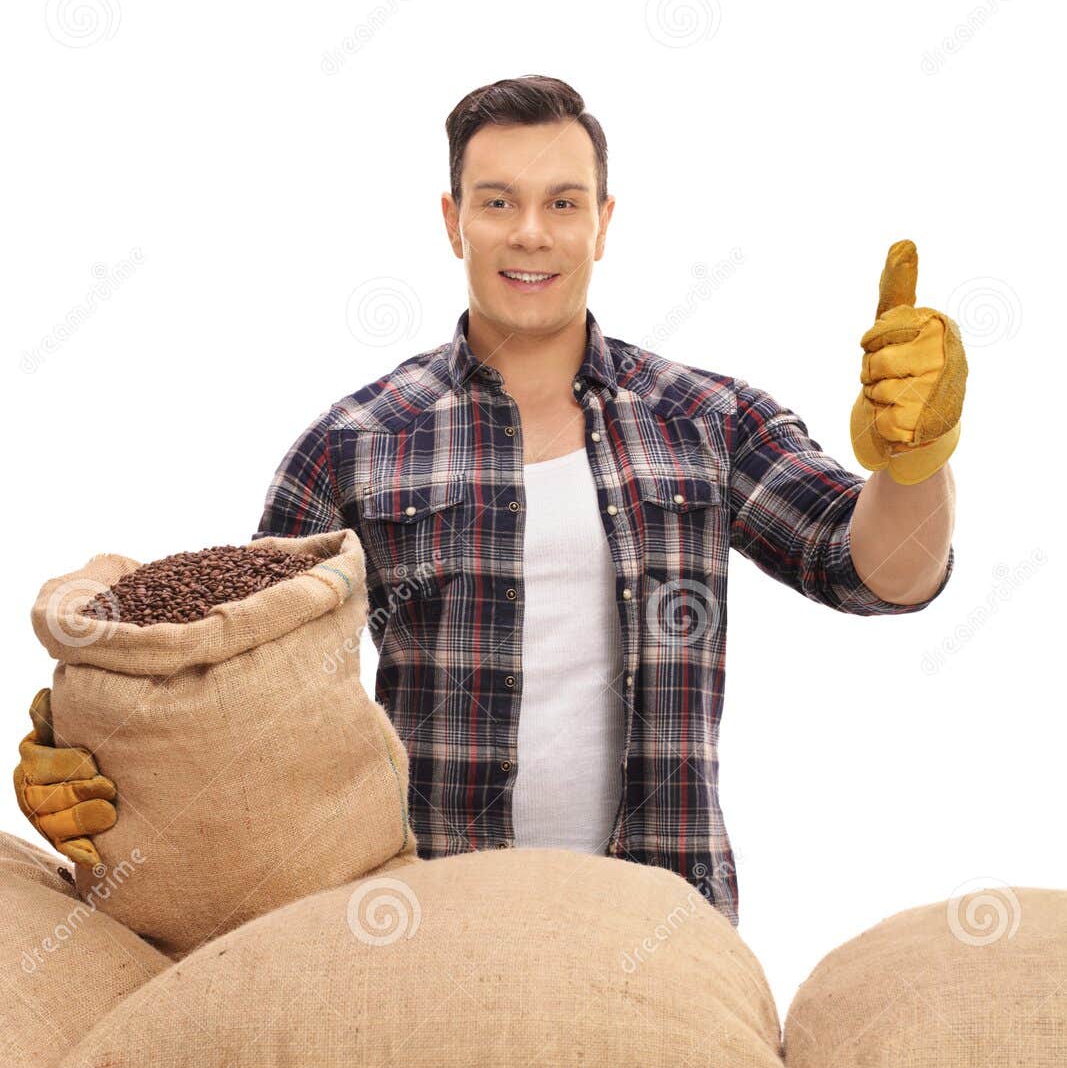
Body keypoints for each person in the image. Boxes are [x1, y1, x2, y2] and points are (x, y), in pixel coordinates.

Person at [14, 74, 966, 929]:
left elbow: (876, 574)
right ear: (451, 218)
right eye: (497, 201)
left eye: (562, 202)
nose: (530, 232)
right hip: (418, 924)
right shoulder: (356, 441)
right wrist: (108, 758)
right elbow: (246, 696)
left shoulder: (705, 419)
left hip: (660, 927)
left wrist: (917, 457)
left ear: (603, 220)